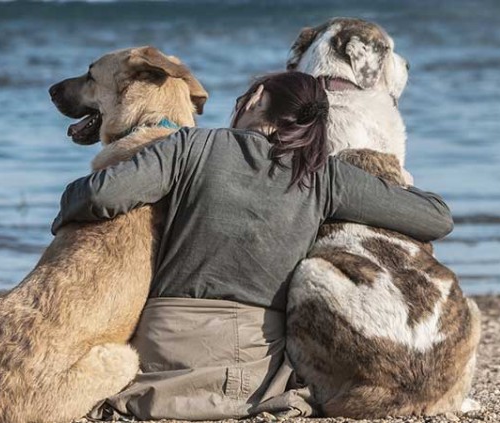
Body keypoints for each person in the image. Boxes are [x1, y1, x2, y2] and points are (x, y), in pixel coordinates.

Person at [52, 71, 454, 420]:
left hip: (161, 357)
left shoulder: (192, 146)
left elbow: (100, 196)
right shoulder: (326, 177)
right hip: (250, 375)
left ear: (258, 99)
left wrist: (63, 214)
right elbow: (436, 217)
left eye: (243, 99)